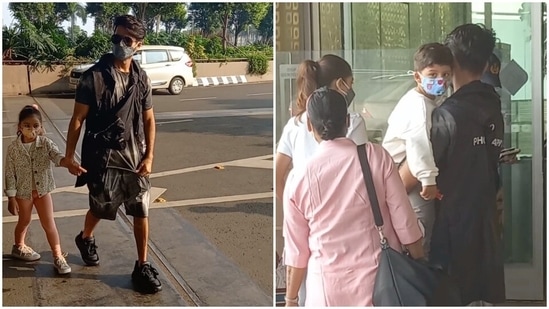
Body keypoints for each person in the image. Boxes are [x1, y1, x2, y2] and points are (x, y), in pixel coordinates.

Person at [283, 88, 424, 307]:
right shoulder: (376, 157)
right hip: (381, 285)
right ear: (348, 122)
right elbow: (405, 223)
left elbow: (297, 251)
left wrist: (291, 299)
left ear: (310, 125)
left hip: (326, 291)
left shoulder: (298, 177)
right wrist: (419, 263)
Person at [64, 15, 160, 293]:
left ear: (139, 45)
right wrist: (70, 157)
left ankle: (142, 264)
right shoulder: (93, 77)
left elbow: (149, 120)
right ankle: (85, 237)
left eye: (126, 40)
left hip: (134, 157)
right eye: (116, 38)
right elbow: (77, 120)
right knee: (101, 207)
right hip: (102, 157)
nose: (120, 43)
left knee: (141, 208)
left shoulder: (141, 78)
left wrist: (149, 156)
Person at [276, 54, 368, 306]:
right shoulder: (352, 122)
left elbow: (279, 171)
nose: (352, 88)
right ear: (341, 84)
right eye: (351, 82)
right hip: (346, 227)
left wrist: (292, 208)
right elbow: (363, 170)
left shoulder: (294, 124)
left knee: (306, 284)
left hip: (307, 218)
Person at [429, 23, 505, 305]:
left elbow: (425, 170)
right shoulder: (493, 106)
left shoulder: (447, 114)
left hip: (452, 228)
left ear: (450, 60)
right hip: (486, 224)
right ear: (487, 63)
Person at [382, 42, 453, 256]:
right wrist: (428, 180)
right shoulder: (418, 105)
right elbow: (418, 144)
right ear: (417, 76)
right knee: (419, 229)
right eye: (432, 74)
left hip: (408, 173)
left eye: (445, 74)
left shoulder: (428, 101)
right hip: (406, 175)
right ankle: (417, 269)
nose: (440, 79)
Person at [4, 105, 86, 274]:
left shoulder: (46, 144)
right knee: (24, 221)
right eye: (27, 125)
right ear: (19, 126)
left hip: (43, 191)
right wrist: (11, 197)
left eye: (35, 125)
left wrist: (68, 163)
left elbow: (57, 157)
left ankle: (58, 256)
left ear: (41, 127)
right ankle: (19, 246)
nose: (31, 129)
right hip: (23, 193)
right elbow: (9, 173)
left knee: (49, 224)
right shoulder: (13, 149)